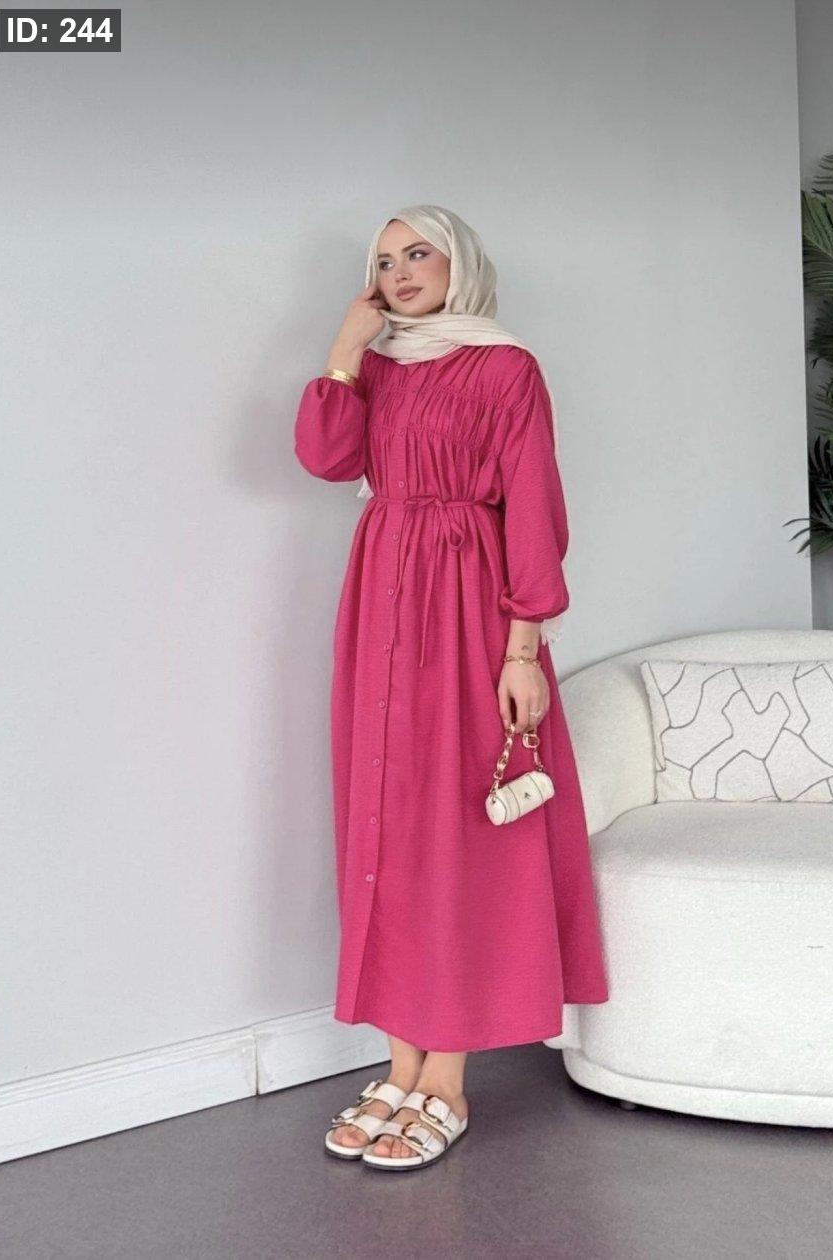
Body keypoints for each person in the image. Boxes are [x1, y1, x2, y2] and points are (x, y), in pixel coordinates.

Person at [294, 204, 609, 1171]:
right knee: (386, 819)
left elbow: (535, 506)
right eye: (384, 260)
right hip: (380, 607)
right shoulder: (382, 367)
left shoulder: (506, 368)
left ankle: (448, 1081)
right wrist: (346, 347)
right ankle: (400, 1065)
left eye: (418, 252)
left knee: (459, 832)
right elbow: (327, 458)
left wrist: (524, 649)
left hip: (471, 610)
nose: (399, 271)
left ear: (459, 262)